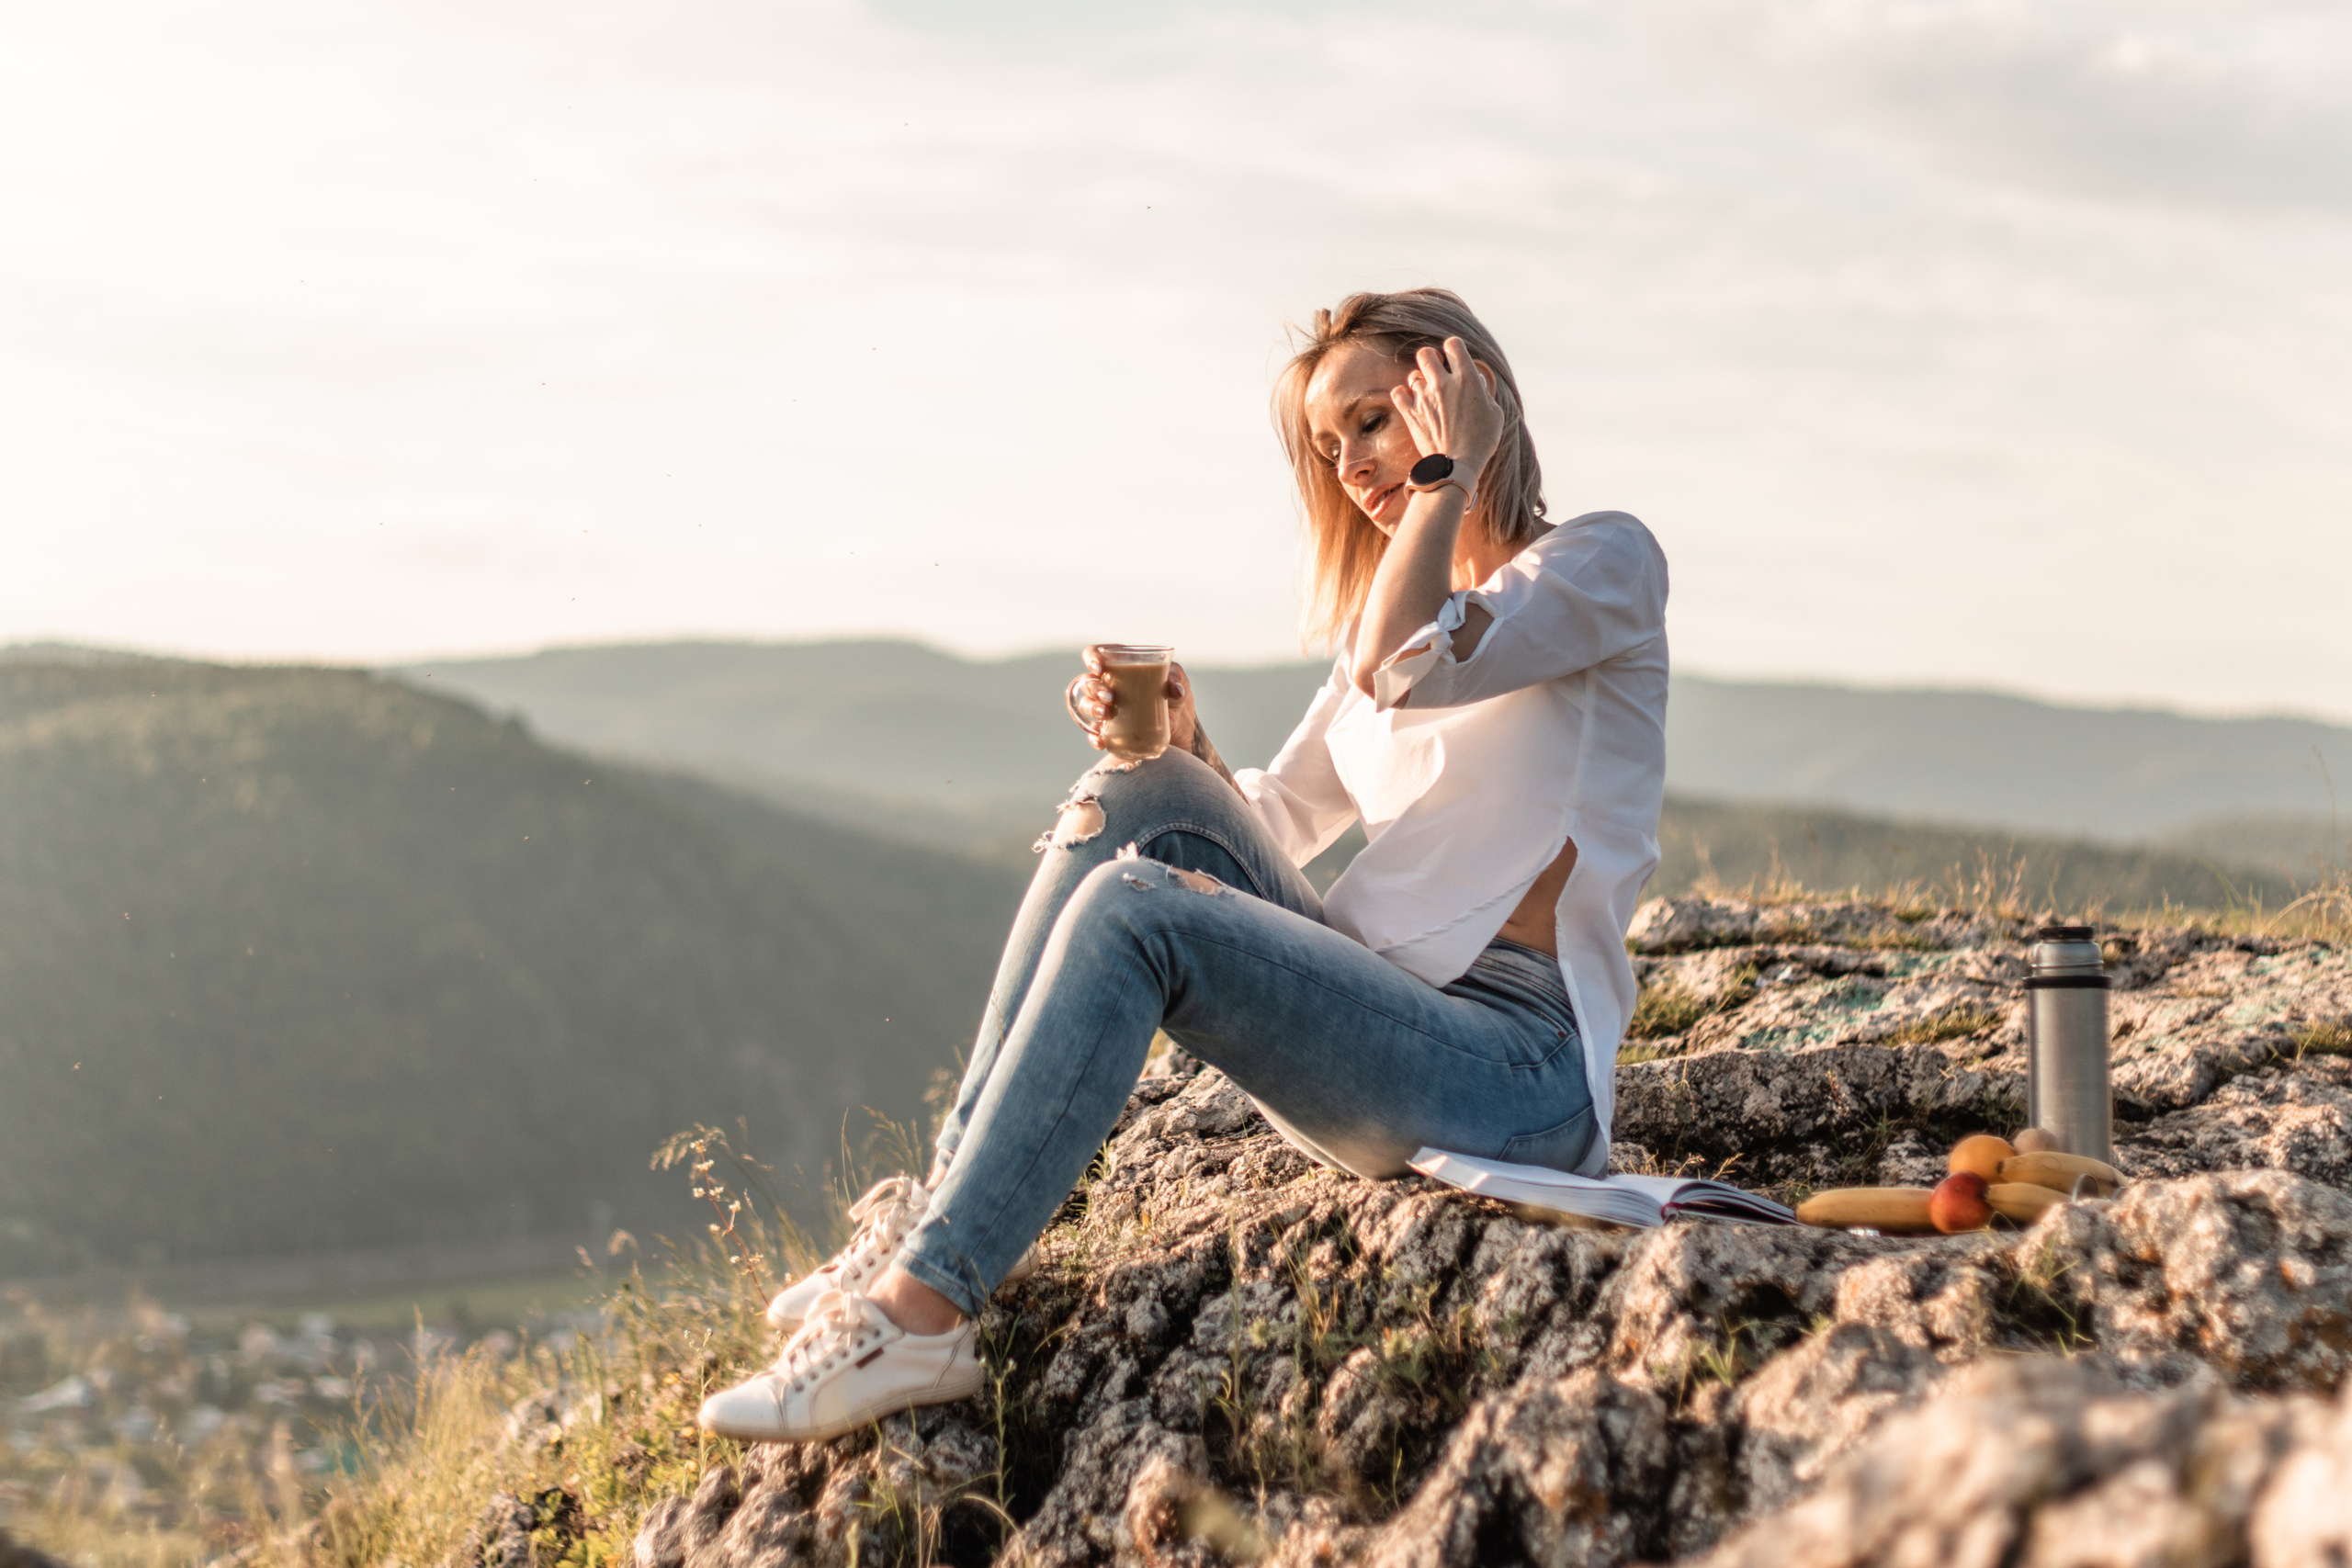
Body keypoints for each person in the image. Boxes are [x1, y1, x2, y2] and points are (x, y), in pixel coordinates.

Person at [697, 288, 1669, 1443]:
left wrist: (1447, 473)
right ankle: (931, 1218)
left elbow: (1407, 665)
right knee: (1134, 790)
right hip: (1379, 1030)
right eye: (1330, 445)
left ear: (1471, 395)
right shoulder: (1384, 621)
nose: (1353, 464)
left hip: (1516, 1077)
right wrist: (1185, 746)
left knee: (1136, 911)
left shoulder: (1600, 561)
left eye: (1373, 420)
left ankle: (920, 1315)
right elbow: (1277, 818)